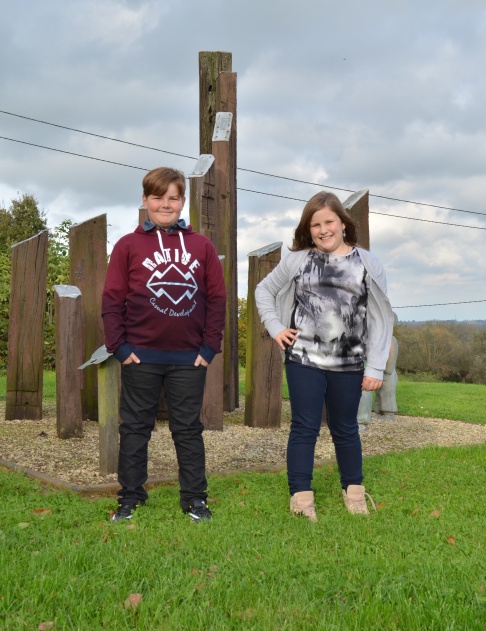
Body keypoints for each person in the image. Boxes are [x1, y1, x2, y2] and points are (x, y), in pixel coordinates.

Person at [255, 191, 394, 520]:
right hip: (304, 360)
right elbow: (264, 289)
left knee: (345, 428)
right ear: (308, 229)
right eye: (315, 224)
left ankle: (354, 493)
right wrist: (276, 327)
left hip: (349, 363)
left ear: (343, 224)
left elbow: (380, 318)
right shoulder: (297, 260)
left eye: (329, 221)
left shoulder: (368, 263)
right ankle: (302, 500)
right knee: (304, 428)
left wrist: (375, 366)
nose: (323, 229)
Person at [102, 166, 226, 523]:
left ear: (183, 201)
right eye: (158, 197)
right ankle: (130, 497)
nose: (165, 204)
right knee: (135, 428)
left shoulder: (201, 245)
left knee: (187, 429)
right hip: (140, 356)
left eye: (173, 198)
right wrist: (120, 348)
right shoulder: (128, 245)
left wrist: (208, 349)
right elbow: (111, 300)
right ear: (145, 200)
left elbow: (217, 300)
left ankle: (194, 499)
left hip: (189, 359)